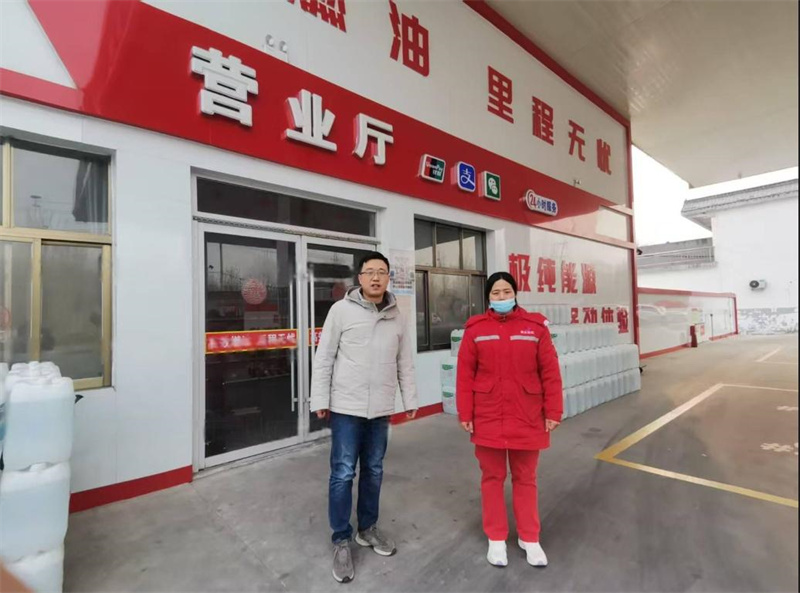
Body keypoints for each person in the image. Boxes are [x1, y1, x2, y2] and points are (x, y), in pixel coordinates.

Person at [310, 251, 418, 584]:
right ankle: (341, 538)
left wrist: (410, 398)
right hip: (346, 407)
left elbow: (404, 361)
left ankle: (367, 528)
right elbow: (324, 357)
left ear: (389, 278)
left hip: (380, 409)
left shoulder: (397, 316)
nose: (375, 277)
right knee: (343, 472)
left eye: (381, 272)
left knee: (374, 469)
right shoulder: (340, 311)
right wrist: (320, 398)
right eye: (369, 272)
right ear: (359, 278)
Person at [456, 271, 563, 568]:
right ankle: (496, 538)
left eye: (506, 292)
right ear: (488, 297)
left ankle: (530, 538)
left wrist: (553, 411)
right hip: (488, 414)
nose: (501, 297)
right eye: (495, 293)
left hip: (527, 414)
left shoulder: (535, 327)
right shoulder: (476, 329)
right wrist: (465, 412)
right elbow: (465, 374)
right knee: (491, 478)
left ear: (515, 294)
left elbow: (550, 372)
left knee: (526, 478)